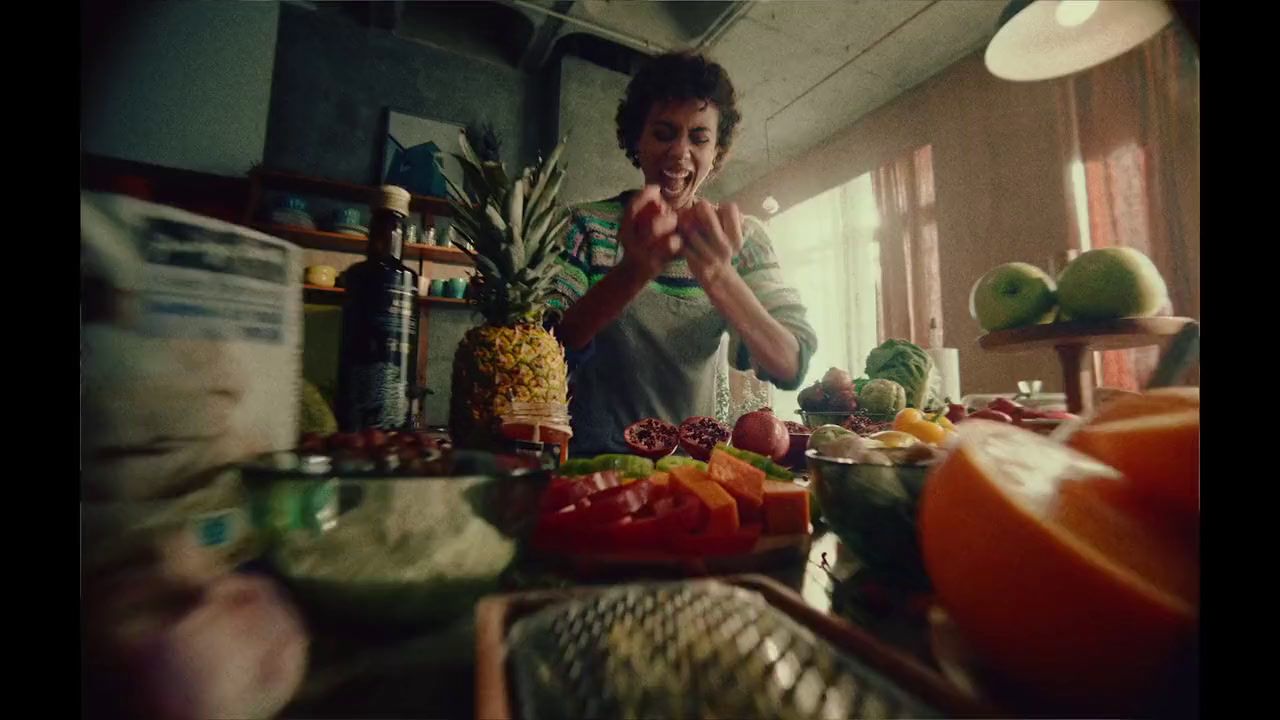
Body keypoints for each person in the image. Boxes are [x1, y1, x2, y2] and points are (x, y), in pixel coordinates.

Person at [548, 51, 817, 455]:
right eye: (663, 133)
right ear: (637, 138)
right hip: (594, 469)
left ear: (716, 151)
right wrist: (634, 272)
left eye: (699, 138)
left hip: (694, 471)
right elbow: (548, 346)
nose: (680, 152)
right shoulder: (585, 227)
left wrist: (718, 275)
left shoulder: (744, 239)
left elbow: (789, 364)